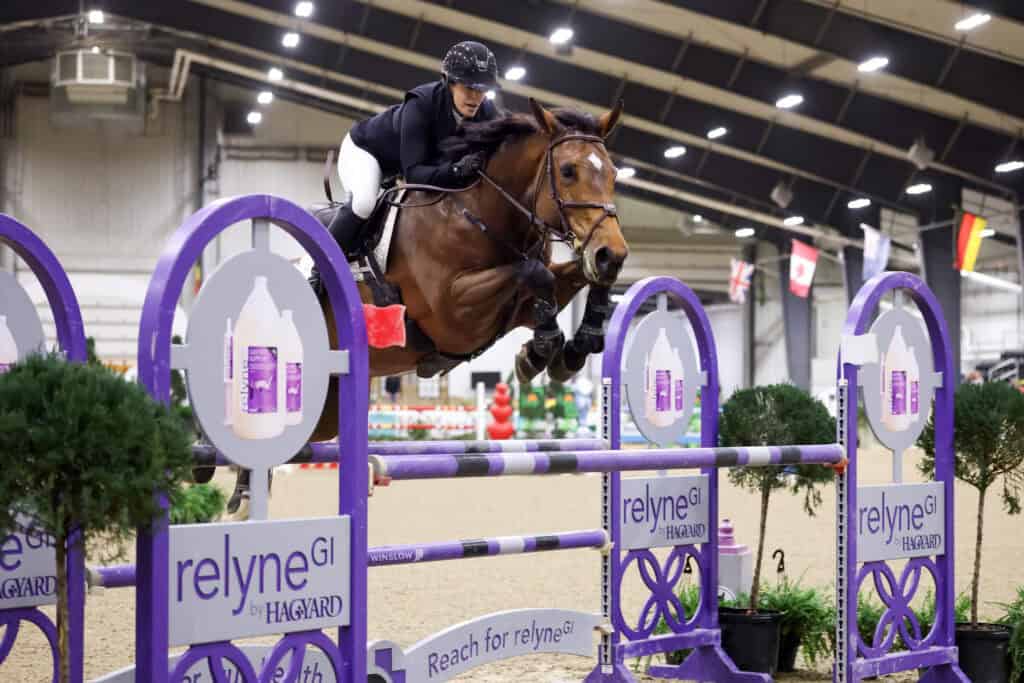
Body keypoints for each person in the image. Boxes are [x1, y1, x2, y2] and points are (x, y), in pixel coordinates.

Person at [326, 40, 502, 254]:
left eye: (483, 90)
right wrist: (456, 170)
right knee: (364, 204)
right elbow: (415, 175)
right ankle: (319, 270)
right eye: (469, 87)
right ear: (449, 81)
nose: (476, 97)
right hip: (365, 152)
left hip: (401, 165)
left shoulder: (487, 111)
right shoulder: (420, 104)